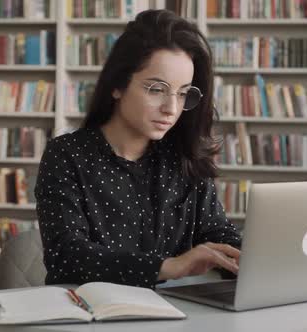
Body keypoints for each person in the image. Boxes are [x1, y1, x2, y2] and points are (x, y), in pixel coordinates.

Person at [35, 9, 241, 289]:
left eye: (183, 93)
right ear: (117, 85)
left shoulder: (184, 157)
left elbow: (216, 233)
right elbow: (67, 256)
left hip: (176, 318)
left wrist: (252, 258)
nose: (171, 109)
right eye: (157, 89)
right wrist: (171, 267)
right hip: (89, 317)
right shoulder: (67, 156)